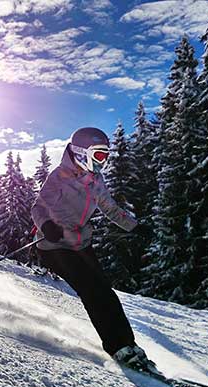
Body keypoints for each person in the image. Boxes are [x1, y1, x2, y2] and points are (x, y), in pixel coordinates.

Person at [31, 127, 154, 371]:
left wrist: (134, 227)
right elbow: (38, 207)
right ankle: (117, 347)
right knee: (92, 290)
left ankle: (129, 345)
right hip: (55, 245)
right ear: (80, 152)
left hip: (80, 243)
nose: (103, 162)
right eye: (98, 155)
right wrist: (46, 225)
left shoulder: (96, 181)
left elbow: (109, 208)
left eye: (105, 156)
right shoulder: (59, 177)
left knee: (106, 292)